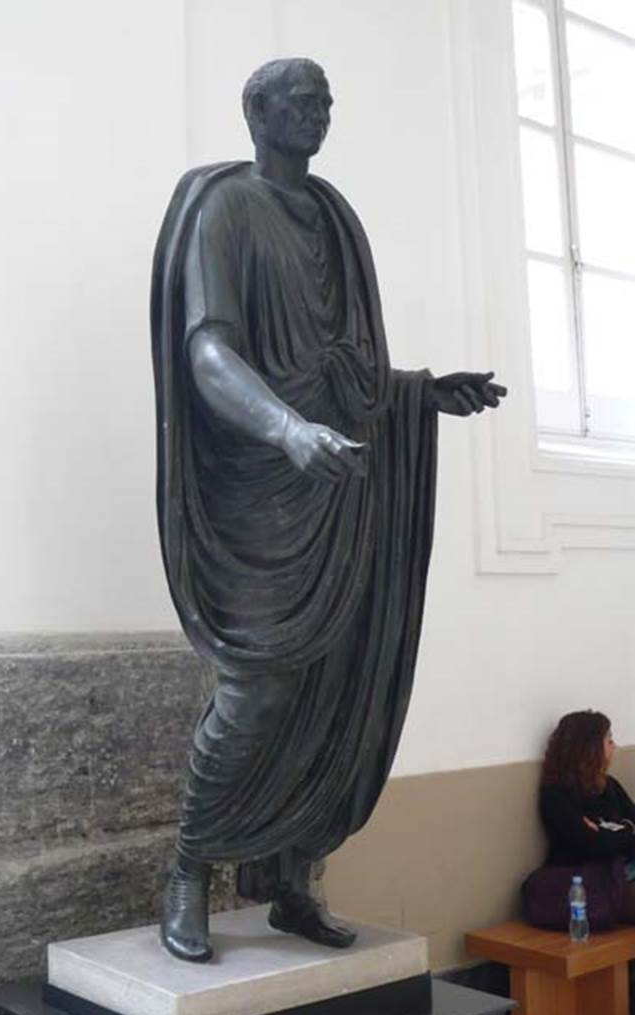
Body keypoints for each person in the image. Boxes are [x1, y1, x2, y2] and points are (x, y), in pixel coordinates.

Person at [151, 57, 507, 963]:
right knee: (260, 686)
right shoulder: (223, 208)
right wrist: (284, 429)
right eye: (300, 101)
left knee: (338, 687)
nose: (318, 113)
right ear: (255, 112)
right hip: (264, 487)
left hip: (339, 481)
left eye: (326, 101)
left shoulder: (335, 217)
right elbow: (208, 352)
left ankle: (295, 883)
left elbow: (340, 367)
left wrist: (420, 395)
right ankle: (188, 869)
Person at [540, 711, 635, 868]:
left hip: (620, 867)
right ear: (590, 749)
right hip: (584, 878)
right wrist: (627, 829)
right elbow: (595, 847)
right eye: (609, 741)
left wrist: (616, 832)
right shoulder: (556, 796)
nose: (615, 746)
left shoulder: (608, 784)